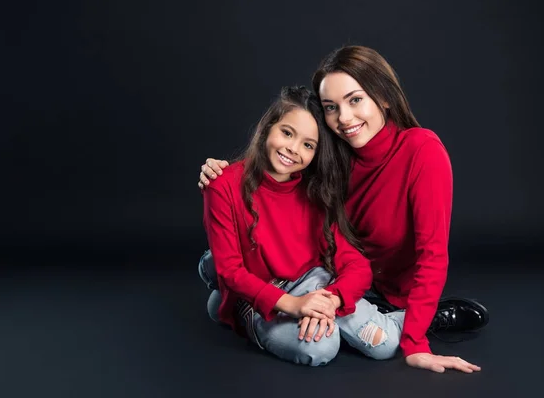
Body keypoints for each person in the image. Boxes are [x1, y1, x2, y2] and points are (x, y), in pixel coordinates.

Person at [198, 46, 489, 373]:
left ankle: (419, 317)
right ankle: (231, 298)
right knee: (217, 266)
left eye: (355, 100)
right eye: (331, 108)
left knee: (376, 344)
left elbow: (431, 254)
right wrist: (221, 174)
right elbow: (271, 185)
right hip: (323, 268)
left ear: (384, 97)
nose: (345, 118)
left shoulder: (421, 151)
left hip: (362, 281)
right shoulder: (330, 157)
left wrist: (415, 343)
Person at [199, 85, 409, 366]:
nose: (292, 149)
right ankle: (231, 304)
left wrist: (330, 302)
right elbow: (231, 270)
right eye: (287, 132)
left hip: (313, 283)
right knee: (321, 348)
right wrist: (294, 306)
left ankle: (415, 315)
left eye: (308, 145)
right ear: (269, 126)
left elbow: (355, 264)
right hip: (260, 292)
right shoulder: (223, 183)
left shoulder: (316, 194)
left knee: (384, 345)